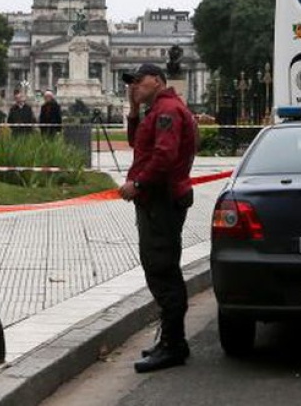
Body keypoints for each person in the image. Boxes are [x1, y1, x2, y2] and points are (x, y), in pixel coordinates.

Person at [117, 64, 197, 373]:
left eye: (140, 80)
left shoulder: (167, 111)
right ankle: (171, 339)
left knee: (162, 269)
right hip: (157, 200)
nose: (135, 85)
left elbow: (164, 157)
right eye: (132, 82)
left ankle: (173, 345)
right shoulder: (157, 110)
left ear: (158, 80)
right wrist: (134, 109)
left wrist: (137, 185)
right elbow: (138, 144)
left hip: (161, 199)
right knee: (159, 267)